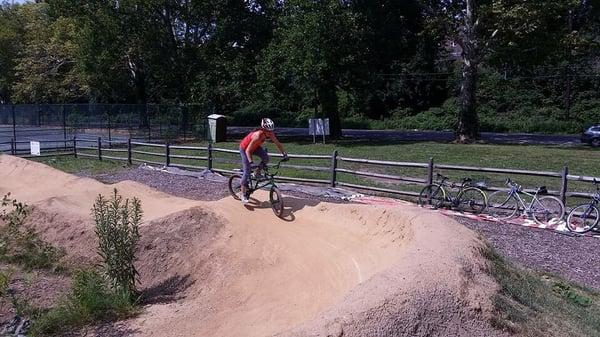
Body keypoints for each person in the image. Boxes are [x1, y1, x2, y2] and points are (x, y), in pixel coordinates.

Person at [239, 118, 288, 203]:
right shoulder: (257, 136)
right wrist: (251, 162)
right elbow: (248, 151)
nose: (270, 133)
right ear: (263, 129)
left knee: (266, 158)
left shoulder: (270, 134)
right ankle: (243, 194)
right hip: (244, 149)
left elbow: (278, 144)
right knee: (247, 171)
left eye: (271, 130)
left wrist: (284, 154)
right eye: (268, 131)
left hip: (255, 147)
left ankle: (256, 173)